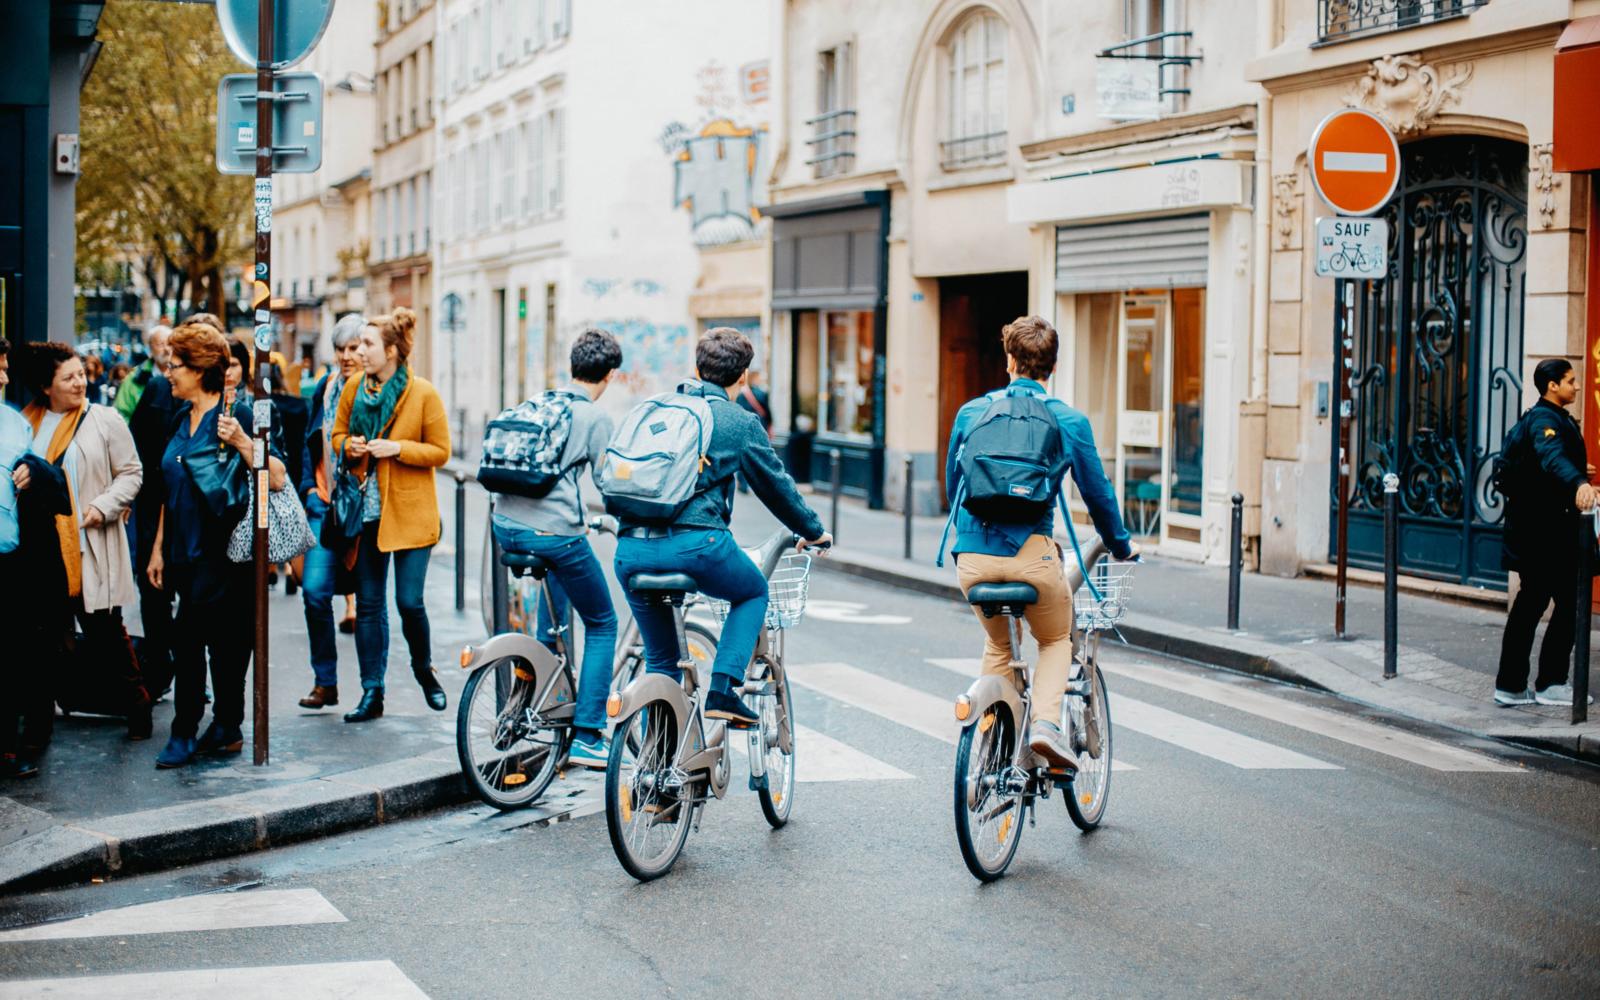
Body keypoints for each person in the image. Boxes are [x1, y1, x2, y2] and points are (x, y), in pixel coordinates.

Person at [941, 315, 1135, 770]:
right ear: (1053, 366)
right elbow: (1098, 494)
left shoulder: (972, 413)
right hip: (1033, 558)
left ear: (1008, 360)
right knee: (1052, 640)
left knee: (999, 647)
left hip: (972, 560)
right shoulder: (1069, 420)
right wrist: (1120, 544)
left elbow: (954, 489)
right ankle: (1045, 726)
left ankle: (988, 746)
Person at [611, 327, 831, 727]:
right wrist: (814, 531)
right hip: (697, 547)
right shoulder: (739, 422)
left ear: (696, 368)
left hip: (630, 549)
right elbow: (777, 487)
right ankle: (723, 690)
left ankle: (654, 769)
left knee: (661, 663)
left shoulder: (659, 409)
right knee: (751, 592)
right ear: (743, 376)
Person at [147, 324, 288, 768]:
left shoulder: (238, 416)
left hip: (226, 557)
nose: (168, 373)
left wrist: (244, 443)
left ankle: (214, 726)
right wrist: (157, 548)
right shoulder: (178, 417)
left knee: (223, 649)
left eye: (176, 366)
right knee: (187, 644)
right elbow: (171, 490)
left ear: (199, 369)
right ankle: (201, 728)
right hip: (182, 554)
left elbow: (279, 477)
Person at [490, 329, 623, 766]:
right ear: (608, 376)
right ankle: (588, 733)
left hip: (505, 525)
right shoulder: (593, 417)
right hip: (552, 533)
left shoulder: (542, 401)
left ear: (573, 366)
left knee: (558, 609)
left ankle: (545, 699)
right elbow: (609, 484)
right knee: (602, 622)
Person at [16, 342, 151, 749]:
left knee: (107, 632)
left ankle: (137, 703)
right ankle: (40, 728)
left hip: (88, 544)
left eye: (81, 373)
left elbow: (131, 473)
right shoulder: (26, 425)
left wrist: (103, 506)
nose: (81, 382)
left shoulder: (103, 419)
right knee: (45, 641)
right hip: (41, 552)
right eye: (69, 377)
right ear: (45, 386)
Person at [331, 308, 452, 723]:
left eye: (367, 344)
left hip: (413, 514)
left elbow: (441, 451)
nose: (359, 352)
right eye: (359, 344)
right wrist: (351, 448)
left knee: (408, 602)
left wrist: (396, 449)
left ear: (392, 351)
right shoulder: (352, 389)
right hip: (366, 513)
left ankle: (425, 671)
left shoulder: (422, 393)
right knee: (367, 604)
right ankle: (371, 691)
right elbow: (337, 436)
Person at [1495, 358, 1597, 708]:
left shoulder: (1549, 417)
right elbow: (1550, 455)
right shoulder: (1544, 420)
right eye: (1571, 381)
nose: (1577, 386)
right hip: (1545, 535)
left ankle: (1512, 684)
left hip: (1539, 532)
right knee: (1566, 603)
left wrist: (1577, 471)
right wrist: (1579, 482)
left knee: (1534, 603)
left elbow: (1547, 464)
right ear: (1553, 385)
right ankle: (1550, 682)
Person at [0, 338, 72, 779]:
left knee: (11, 657)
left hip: (11, 562)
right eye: (0, 367)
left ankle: (10, 747)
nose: (5, 376)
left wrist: (36, 472)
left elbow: (54, 488)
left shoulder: (13, 424)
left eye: (6, 366)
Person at [295, 313, 365, 709]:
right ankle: (326, 682)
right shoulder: (325, 388)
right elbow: (309, 440)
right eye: (340, 349)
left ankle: (373, 689)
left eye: (354, 348)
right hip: (324, 507)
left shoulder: (375, 393)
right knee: (315, 593)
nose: (346, 356)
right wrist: (308, 488)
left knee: (370, 605)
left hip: (362, 512)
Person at [125, 324, 179, 698]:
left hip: (181, 512)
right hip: (153, 506)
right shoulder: (156, 388)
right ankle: (161, 668)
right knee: (155, 589)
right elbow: (135, 445)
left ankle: (182, 668)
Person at [114, 325, 172, 422]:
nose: (167, 349)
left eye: (170, 344)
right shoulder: (135, 378)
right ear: (150, 347)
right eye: (161, 344)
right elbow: (121, 415)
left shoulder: (184, 375)